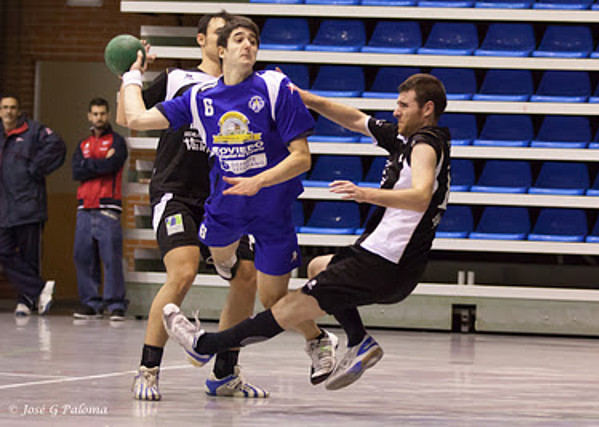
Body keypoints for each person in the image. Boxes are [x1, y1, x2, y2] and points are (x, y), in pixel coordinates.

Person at [162, 72, 451, 390]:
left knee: (286, 308)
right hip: (391, 264)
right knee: (318, 266)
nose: (396, 111)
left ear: (427, 109)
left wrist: (366, 194)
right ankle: (358, 340)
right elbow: (355, 119)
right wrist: (304, 97)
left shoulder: (424, 144)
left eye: (403, 105)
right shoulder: (403, 139)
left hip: (383, 263)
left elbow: (421, 196)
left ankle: (204, 345)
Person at [119, 14, 336, 401]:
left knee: (264, 293)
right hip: (203, 200)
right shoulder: (190, 89)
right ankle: (149, 369)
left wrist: (260, 180)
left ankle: (239, 364)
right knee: (190, 270)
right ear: (215, 46)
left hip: (266, 204)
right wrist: (130, 75)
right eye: (237, 37)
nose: (247, 44)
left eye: (252, 38)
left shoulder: (272, 86)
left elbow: (302, 156)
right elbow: (132, 118)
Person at [0, 94, 65, 317]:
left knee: (30, 257)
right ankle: (38, 289)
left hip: (29, 206)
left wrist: (35, 168)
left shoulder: (34, 131)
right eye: (5, 107)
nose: (9, 111)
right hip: (4, 208)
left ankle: (26, 301)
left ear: (19, 111)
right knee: (4, 250)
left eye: (13, 108)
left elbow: (57, 146)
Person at [72, 97, 128, 321]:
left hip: (108, 208)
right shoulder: (83, 144)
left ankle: (115, 304)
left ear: (108, 114)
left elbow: (113, 165)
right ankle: (90, 303)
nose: (99, 118)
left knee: (111, 258)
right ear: (89, 116)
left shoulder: (118, 142)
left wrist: (89, 165)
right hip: (84, 207)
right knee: (82, 256)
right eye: (95, 114)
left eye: (103, 113)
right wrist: (99, 164)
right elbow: (76, 171)